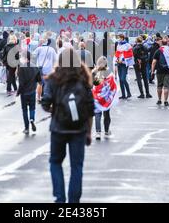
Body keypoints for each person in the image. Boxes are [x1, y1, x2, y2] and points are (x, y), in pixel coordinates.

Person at [41, 49, 94, 203]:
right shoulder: (84, 80)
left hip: (58, 127)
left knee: (55, 162)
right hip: (79, 129)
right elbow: (90, 109)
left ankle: (59, 198)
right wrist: (88, 132)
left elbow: (45, 103)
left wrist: (56, 110)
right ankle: (73, 201)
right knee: (76, 166)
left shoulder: (53, 79)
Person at [17, 51, 42, 134]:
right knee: (32, 107)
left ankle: (26, 128)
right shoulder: (35, 67)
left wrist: (18, 92)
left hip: (24, 92)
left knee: (24, 110)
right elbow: (39, 80)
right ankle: (32, 119)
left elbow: (21, 83)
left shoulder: (21, 68)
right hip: (32, 91)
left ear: (25, 58)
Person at [91, 56, 115, 140]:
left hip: (96, 96)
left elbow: (91, 84)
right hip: (106, 97)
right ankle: (106, 131)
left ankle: (98, 132)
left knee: (97, 113)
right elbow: (112, 85)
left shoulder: (94, 72)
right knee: (106, 113)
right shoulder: (109, 72)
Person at [151, 37, 169, 107]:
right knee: (166, 87)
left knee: (159, 86)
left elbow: (154, 62)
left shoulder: (158, 51)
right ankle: (165, 101)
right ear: (167, 43)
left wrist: (152, 71)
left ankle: (159, 100)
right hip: (168, 71)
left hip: (159, 71)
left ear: (161, 43)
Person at [33, 37, 58, 102]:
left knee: (40, 84)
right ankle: (45, 97)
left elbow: (32, 56)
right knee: (47, 83)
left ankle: (38, 98)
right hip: (49, 69)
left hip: (40, 68)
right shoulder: (52, 49)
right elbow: (56, 60)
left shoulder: (38, 49)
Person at [114, 34, 134, 100]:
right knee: (120, 80)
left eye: (119, 38)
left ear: (122, 38)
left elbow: (130, 54)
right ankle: (123, 95)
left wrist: (122, 59)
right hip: (119, 63)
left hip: (124, 63)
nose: (118, 39)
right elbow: (117, 53)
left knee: (123, 79)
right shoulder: (118, 44)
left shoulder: (127, 45)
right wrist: (117, 59)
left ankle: (128, 93)